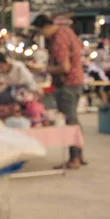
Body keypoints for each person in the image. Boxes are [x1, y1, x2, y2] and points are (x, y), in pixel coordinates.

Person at [33, 14, 86, 169]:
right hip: (77, 80)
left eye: (40, 31)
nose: (42, 35)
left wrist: (43, 69)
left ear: (45, 27)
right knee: (74, 119)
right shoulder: (67, 31)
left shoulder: (58, 39)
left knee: (69, 120)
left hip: (67, 83)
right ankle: (79, 154)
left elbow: (64, 67)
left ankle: (74, 158)